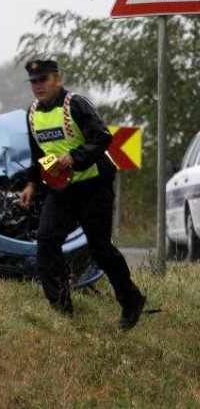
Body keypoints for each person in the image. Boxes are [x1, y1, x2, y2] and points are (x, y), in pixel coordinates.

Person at [19, 59, 146, 331]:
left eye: (43, 80)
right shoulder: (31, 114)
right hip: (62, 190)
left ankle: (131, 299)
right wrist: (31, 184)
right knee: (46, 240)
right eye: (34, 82)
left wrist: (74, 158)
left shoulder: (75, 104)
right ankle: (61, 307)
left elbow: (102, 137)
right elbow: (38, 154)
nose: (38, 86)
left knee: (99, 249)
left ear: (58, 79)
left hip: (94, 186)